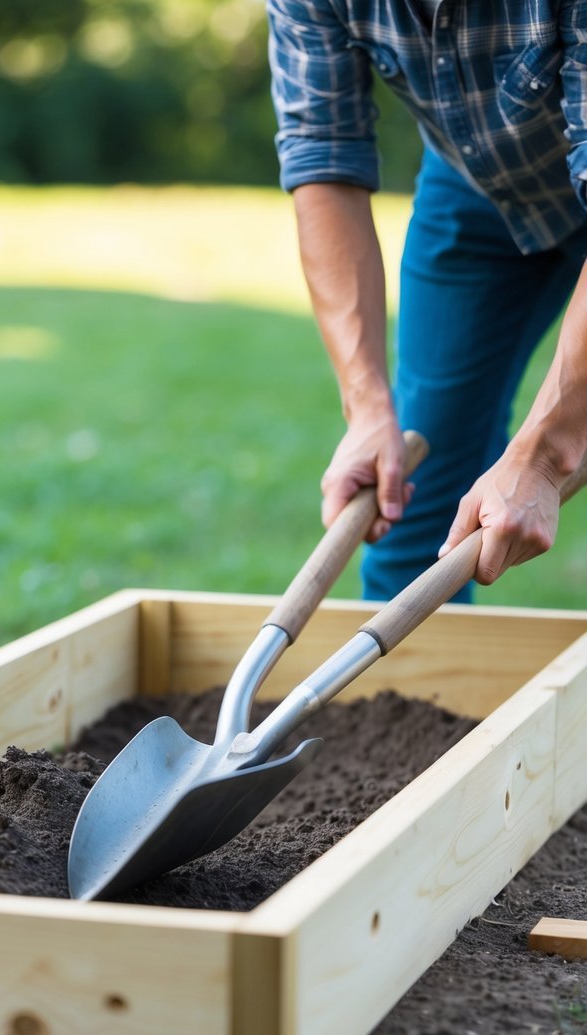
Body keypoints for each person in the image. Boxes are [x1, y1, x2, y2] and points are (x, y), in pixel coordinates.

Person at [267, 0, 587, 599]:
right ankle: (394, 689)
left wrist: (545, 456)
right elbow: (322, 154)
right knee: (416, 502)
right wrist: (366, 408)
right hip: (480, 187)